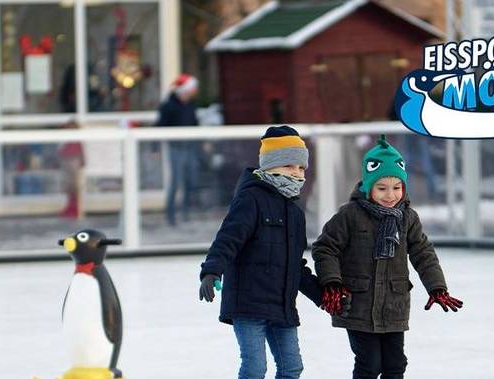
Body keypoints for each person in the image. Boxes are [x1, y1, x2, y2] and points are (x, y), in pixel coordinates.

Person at [312, 135, 463, 379]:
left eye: (396, 187)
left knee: (395, 364)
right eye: (382, 188)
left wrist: (437, 287)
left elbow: (423, 253)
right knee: (369, 364)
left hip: (394, 304)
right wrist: (332, 283)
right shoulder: (350, 215)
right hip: (359, 305)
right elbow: (324, 248)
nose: (390, 195)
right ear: (368, 186)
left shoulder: (407, 218)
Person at [198, 125, 323, 379]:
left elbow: (295, 266)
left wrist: (322, 295)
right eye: (289, 166)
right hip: (248, 303)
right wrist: (211, 271)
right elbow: (227, 239)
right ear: (269, 165)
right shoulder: (251, 200)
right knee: (255, 368)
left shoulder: (296, 213)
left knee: (291, 368)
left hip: (282, 305)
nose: (297, 174)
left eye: (301, 168)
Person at [157, 73, 200, 225]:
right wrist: (156, 148)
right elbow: (160, 126)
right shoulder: (168, 105)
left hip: (190, 146)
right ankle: (171, 215)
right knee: (175, 181)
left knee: (190, 179)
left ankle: (186, 213)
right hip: (176, 147)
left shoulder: (190, 105)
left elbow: (195, 124)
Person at [58, 121, 85, 220]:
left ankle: (75, 208)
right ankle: (70, 207)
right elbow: (63, 152)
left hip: (74, 165)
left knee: (75, 188)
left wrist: (82, 162)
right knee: (69, 188)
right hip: (68, 165)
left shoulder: (76, 142)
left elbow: (80, 154)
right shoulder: (67, 142)